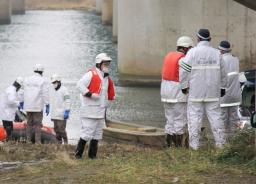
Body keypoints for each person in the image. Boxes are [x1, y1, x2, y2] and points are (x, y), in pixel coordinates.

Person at [179, 29, 227, 150]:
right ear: (209, 39)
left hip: (195, 93)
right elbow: (223, 72)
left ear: (198, 39)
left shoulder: (192, 53)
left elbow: (183, 70)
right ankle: (221, 145)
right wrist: (223, 87)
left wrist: (184, 86)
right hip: (213, 92)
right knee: (216, 118)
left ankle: (194, 146)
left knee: (194, 118)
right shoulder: (217, 54)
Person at [75, 53, 115, 159]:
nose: (107, 65)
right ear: (99, 63)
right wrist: (89, 94)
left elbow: (107, 94)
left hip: (100, 111)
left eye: (108, 63)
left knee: (97, 135)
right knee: (86, 134)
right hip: (90, 111)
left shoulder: (106, 77)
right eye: (105, 63)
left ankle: (92, 156)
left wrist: (108, 103)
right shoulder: (91, 74)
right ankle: (78, 155)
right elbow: (79, 84)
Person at [161, 36, 194, 147]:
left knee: (169, 120)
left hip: (165, 93)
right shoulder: (183, 59)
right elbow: (186, 76)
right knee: (180, 120)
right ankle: (178, 147)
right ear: (186, 48)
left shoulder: (168, 56)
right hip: (177, 93)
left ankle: (168, 144)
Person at [218, 41, 241, 137]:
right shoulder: (235, 59)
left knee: (222, 121)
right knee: (234, 121)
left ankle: (223, 143)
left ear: (222, 50)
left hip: (224, 97)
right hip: (235, 97)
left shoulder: (220, 60)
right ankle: (234, 143)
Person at [24, 64, 50, 144]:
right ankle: (37, 142)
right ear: (42, 71)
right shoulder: (43, 80)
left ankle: (28, 141)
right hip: (37, 106)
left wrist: (22, 102)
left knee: (29, 124)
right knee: (38, 124)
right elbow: (45, 93)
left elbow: (23, 91)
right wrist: (47, 104)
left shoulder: (27, 79)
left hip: (28, 106)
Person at [50, 74, 71, 144]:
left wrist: (67, 111)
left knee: (62, 129)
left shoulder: (64, 90)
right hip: (54, 114)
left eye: (55, 82)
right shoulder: (52, 90)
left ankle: (66, 142)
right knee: (56, 130)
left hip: (62, 114)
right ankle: (59, 143)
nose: (54, 84)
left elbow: (67, 100)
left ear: (59, 81)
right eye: (53, 82)